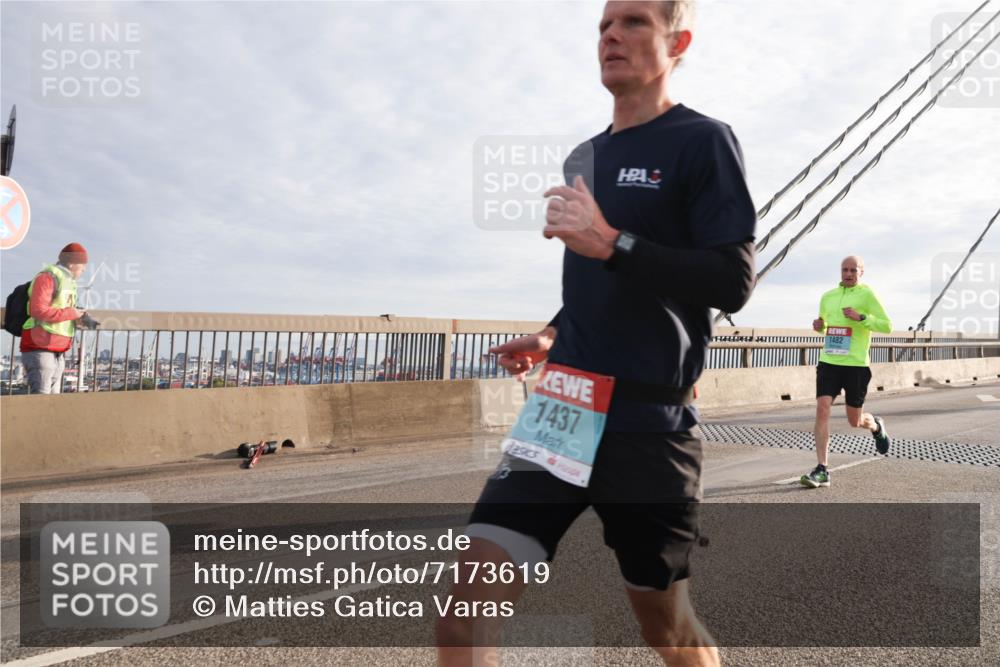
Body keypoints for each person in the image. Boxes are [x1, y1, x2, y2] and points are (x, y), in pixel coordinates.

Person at [436, 2, 756, 665]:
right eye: (605, 25)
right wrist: (551, 335)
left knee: (666, 631)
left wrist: (613, 240)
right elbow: (596, 281)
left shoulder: (703, 141)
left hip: (648, 421)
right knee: (464, 608)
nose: (611, 34)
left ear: (678, 41)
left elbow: (732, 280)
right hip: (563, 405)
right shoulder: (586, 155)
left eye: (635, 21)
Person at [801, 255, 892, 488]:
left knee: (855, 421)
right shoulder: (828, 297)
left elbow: (887, 325)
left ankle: (875, 425)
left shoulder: (867, 295)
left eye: (853, 270)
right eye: (845, 270)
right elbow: (825, 327)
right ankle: (822, 469)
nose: (848, 274)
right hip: (829, 362)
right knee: (822, 409)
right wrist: (819, 327)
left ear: (861, 272)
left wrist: (862, 318)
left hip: (856, 365)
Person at [21, 242, 95, 394]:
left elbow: (60, 310)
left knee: (52, 404)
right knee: (41, 402)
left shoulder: (68, 283)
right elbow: (38, 310)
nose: (84, 269)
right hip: (40, 347)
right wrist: (71, 314)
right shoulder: (47, 278)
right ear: (72, 263)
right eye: (82, 264)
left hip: (57, 349)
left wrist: (77, 318)